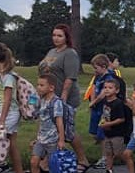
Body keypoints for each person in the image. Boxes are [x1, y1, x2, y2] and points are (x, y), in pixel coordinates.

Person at [38, 24, 89, 172]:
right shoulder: (51, 51)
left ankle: (82, 160)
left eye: (59, 35)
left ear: (66, 37)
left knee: (67, 130)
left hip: (64, 97)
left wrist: (63, 98)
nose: (56, 38)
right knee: (53, 128)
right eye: (54, 35)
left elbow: (70, 77)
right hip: (50, 96)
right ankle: (48, 162)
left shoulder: (70, 53)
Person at [0, 42, 24, 173]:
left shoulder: (8, 76)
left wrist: (1, 121)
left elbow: (7, 100)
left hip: (9, 114)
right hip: (3, 112)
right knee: (12, 144)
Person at [30, 74, 66, 173]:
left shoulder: (56, 102)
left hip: (53, 140)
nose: (38, 87)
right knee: (34, 162)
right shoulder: (41, 100)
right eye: (38, 85)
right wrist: (37, 137)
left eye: (42, 85)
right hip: (41, 139)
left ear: (51, 88)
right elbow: (41, 120)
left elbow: (59, 122)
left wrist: (61, 140)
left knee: (53, 165)